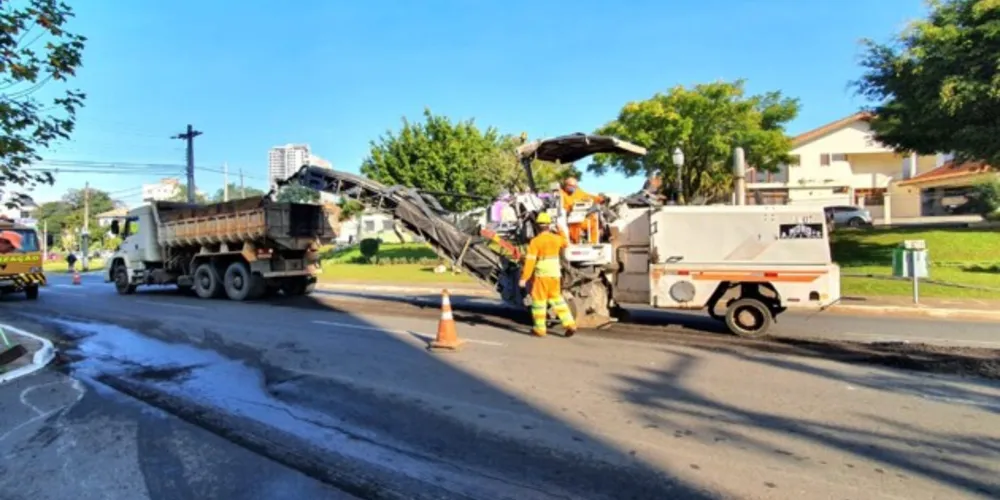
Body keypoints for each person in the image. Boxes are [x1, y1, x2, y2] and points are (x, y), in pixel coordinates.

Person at [518, 212, 577, 337]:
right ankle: (570, 324)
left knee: (539, 302)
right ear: (549, 225)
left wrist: (524, 278)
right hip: (555, 275)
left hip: (541, 276)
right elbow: (566, 242)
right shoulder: (556, 239)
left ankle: (540, 329)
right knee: (557, 300)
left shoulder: (535, 242)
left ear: (537, 226)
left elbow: (530, 261)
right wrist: (560, 230)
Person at [559, 177, 603, 244]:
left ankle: (593, 242)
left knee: (594, 220)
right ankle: (575, 242)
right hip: (567, 218)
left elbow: (590, 196)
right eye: (571, 186)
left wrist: (600, 199)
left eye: (575, 186)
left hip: (580, 216)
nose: (573, 188)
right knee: (575, 224)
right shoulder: (560, 193)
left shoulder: (578, 192)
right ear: (566, 185)